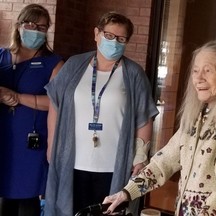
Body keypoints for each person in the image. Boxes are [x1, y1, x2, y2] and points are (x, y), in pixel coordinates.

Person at [103, 40, 216, 216]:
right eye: (195, 70)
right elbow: (166, 159)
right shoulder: (199, 113)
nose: (198, 77)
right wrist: (127, 192)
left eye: (208, 70)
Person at [44, 12, 159, 216]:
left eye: (121, 39)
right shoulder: (73, 65)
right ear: (96, 34)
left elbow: (144, 118)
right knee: (69, 209)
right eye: (109, 36)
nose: (114, 42)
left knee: (108, 211)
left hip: (113, 163)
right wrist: (51, 143)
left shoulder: (133, 73)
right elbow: (55, 104)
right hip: (73, 160)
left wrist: (140, 158)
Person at [0, 4, 64, 216]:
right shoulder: (1, 57)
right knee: (4, 196)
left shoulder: (53, 63)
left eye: (43, 27)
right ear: (19, 25)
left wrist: (18, 98)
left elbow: (56, 102)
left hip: (32, 142)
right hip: (4, 139)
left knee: (28, 195)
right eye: (31, 24)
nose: (36, 30)